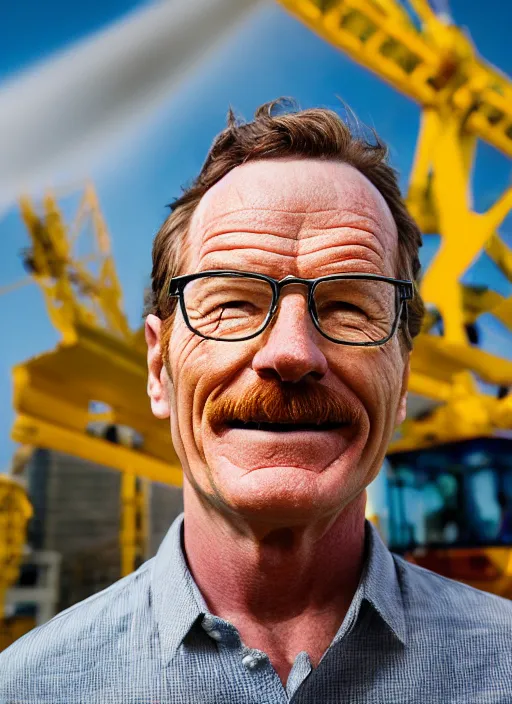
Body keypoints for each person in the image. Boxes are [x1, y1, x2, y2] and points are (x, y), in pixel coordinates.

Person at [1, 99, 511, 703]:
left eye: (349, 308)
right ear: (157, 367)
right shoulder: (28, 688)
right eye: (233, 304)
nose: (291, 352)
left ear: (402, 380)